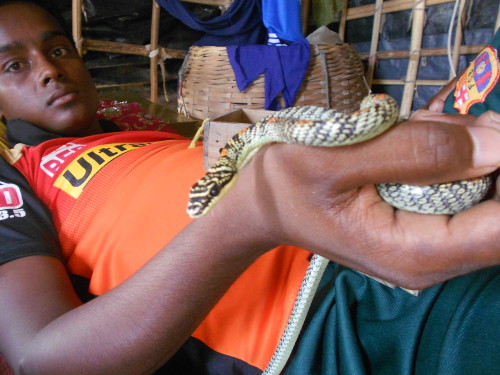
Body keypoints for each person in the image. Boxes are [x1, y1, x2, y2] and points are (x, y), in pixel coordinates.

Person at [0, 1, 498, 374]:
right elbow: (37, 358)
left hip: (366, 212)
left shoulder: (135, 130)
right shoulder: (16, 170)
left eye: (59, 49)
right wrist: (249, 213)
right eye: (12, 65)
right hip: (320, 320)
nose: (48, 69)